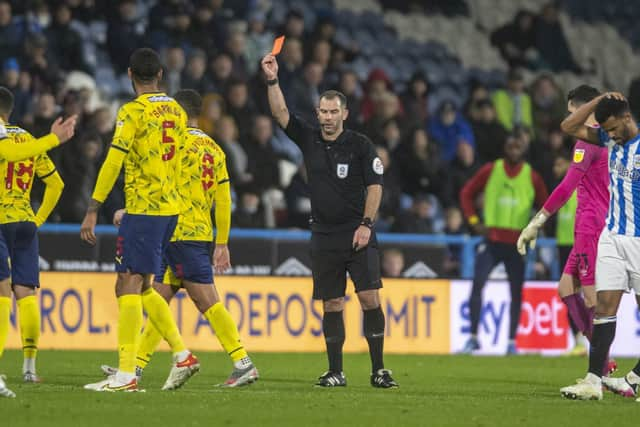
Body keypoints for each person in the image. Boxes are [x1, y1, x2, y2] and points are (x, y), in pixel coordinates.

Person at [101, 89, 258, 388]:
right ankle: (134, 369)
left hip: (176, 229)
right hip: (196, 231)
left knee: (206, 300)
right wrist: (221, 240)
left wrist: (131, 210)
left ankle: (243, 362)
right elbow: (223, 199)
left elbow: (161, 181)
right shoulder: (215, 148)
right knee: (158, 298)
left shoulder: (175, 142)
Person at [261, 53, 398, 388]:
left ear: (345, 114)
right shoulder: (309, 139)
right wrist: (272, 79)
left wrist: (366, 225)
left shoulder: (360, 145)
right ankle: (335, 370)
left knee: (369, 298)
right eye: (323, 111)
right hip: (323, 235)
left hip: (357, 233)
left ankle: (379, 369)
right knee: (332, 302)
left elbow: (375, 187)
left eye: (333, 111)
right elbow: (280, 113)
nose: (327, 117)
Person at [80, 48, 198, 392]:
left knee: (128, 283)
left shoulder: (131, 112)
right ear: (160, 73)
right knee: (141, 285)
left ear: (130, 74)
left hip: (145, 209)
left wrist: (93, 208)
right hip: (169, 209)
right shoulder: (177, 110)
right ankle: (181, 354)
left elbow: (113, 161)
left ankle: (127, 374)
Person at [517, 86, 614, 371]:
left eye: (572, 111)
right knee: (565, 288)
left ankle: (598, 371)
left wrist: (537, 221)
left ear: (582, 109)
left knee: (593, 298)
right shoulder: (607, 139)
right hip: (596, 222)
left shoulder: (587, 143)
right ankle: (603, 363)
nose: (569, 118)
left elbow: (567, 186)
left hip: (590, 225)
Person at [558, 92, 640, 400]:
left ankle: (635, 378)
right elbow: (568, 125)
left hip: (639, 242)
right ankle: (593, 381)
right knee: (603, 310)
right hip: (611, 239)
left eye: (614, 128)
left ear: (627, 117)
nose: (611, 135)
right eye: (606, 130)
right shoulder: (607, 140)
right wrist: (598, 100)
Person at [0, 86, 76, 398]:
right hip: (25, 223)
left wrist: (53, 138)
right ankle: (29, 368)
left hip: (1, 221)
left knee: (3, 292)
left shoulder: (8, 139)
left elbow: (7, 155)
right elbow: (56, 184)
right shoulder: (27, 139)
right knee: (26, 294)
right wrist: (38, 219)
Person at [460, 133, 548, 355]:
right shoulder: (491, 169)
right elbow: (466, 193)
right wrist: (474, 222)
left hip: (517, 244)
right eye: (510, 146)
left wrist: (534, 227)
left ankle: (511, 342)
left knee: (516, 292)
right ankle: (473, 337)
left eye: (517, 146)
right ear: (504, 148)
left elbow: (546, 205)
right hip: (492, 239)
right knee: (477, 284)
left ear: (523, 150)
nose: (514, 150)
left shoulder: (532, 176)